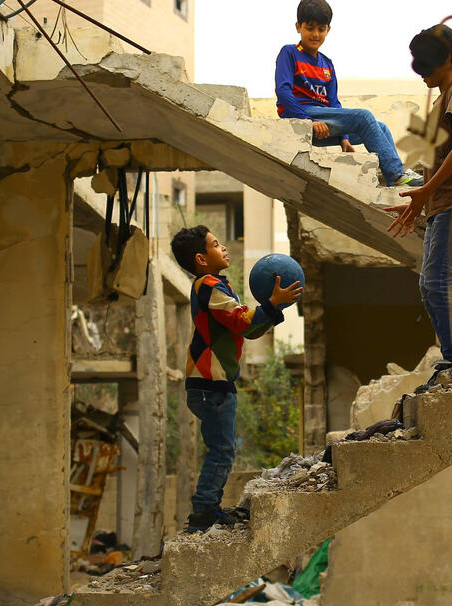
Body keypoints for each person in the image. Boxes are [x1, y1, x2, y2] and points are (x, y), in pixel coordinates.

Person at [169, 226, 303, 533]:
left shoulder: (218, 286)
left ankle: (207, 508)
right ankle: (204, 511)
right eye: (216, 244)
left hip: (215, 383)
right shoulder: (209, 286)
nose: (224, 248)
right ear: (202, 259)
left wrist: (273, 308)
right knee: (222, 449)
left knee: (222, 448)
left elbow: (248, 330)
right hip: (210, 383)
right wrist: (271, 304)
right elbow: (241, 320)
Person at [385, 25, 452, 386]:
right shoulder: (441, 100)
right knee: (429, 285)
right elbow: (440, 157)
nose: (419, 68)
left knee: (437, 282)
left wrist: (426, 191)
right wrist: (419, 200)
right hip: (441, 202)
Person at [275, 0, 424, 188]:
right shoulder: (289, 53)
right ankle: (396, 174)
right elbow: (283, 92)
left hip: (325, 123)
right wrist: (308, 120)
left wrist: (344, 137)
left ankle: (394, 182)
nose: (316, 34)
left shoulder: (327, 64)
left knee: (381, 127)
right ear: (298, 26)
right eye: (310, 28)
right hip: (301, 116)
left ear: (328, 29)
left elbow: (333, 104)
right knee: (363, 116)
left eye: (321, 29)